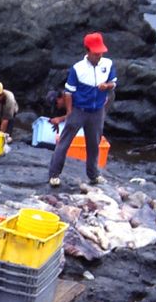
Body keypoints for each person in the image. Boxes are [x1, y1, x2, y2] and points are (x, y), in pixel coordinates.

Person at [48, 32, 117, 188]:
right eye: (95, 53)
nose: (99, 55)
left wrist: (106, 86)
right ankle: (54, 174)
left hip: (97, 111)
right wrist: (69, 112)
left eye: (100, 52)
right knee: (64, 143)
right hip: (79, 110)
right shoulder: (77, 69)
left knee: (94, 144)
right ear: (87, 51)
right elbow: (68, 92)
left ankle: (93, 175)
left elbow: (113, 83)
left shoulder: (108, 64)